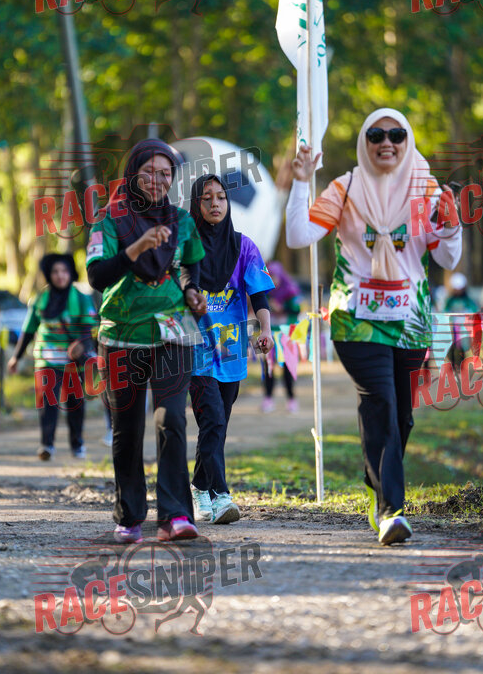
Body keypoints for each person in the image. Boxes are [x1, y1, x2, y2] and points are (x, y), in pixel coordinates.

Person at [286, 108, 462, 545]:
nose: (387, 143)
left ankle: (376, 481)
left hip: (410, 321)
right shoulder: (345, 188)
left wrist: (451, 226)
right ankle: (391, 512)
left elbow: (446, 258)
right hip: (356, 319)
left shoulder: (426, 191)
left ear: (408, 141)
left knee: (402, 418)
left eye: (397, 135)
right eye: (377, 135)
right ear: (364, 142)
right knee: (380, 402)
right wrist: (302, 181)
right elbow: (298, 236)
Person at [86, 138, 207, 544]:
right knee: (128, 426)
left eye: (166, 173)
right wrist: (137, 247)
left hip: (174, 331)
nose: (158, 180)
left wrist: (192, 291)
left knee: (171, 419)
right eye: (149, 172)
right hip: (122, 334)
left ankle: (175, 515)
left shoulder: (181, 220)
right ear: (132, 174)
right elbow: (97, 276)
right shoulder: (109, 219)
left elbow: (189, 266)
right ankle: (130, 516)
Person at [189, 174, 274, 523]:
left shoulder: (244, 247)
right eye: (207, 197)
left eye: (221, 197)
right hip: (195, 350)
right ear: (196, 204)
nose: (215, 203)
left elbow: (259, 294)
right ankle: (221, 495)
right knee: (212, 420)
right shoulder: (186, 248)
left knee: (218, 426)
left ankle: (199, 487)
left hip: (232, 352)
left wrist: (265, 329)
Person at [8, 254, 98, 461]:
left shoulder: (81, 298)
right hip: (46, 360)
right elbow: (29, 330)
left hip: (74, 362)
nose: (60, 276)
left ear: (71, 274)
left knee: (75, 403)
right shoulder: (40, 299)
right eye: (55, 272)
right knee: (48, 402)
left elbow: (91, 328)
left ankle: (77, 444)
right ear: (49, 275)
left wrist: (81, 344)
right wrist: (16, 357)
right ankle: (47, 445)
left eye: (64, 271)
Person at [261, 261, 301, 413]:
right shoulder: (265, 291)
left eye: (275, 276)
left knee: (287, 368)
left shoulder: (290, 290)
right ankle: (268, 399)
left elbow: (296, 309)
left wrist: (282, 307)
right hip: (270, 334)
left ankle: (291, 399)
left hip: (286, 335)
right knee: (268, 368)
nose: (273, 280)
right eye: (270, 276)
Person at [443, 272, 479, 370]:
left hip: (463, 329)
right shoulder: (450, 301)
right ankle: (453, 365)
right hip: (452, 329)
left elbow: (474, 312)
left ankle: (460, 365)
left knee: (463, 347)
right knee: (452, 348)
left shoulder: (468, 301)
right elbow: (445, 312)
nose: (458, 291)